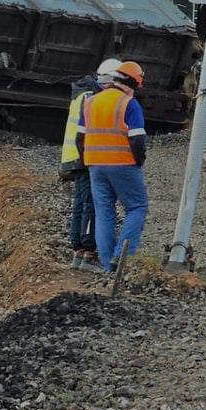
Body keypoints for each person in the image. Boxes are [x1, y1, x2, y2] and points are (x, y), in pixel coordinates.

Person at [77, 61, 148, 273]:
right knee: (137, 207)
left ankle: (108, 266)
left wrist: (88, 160)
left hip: (95, 165)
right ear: (132, 84)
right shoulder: (129, 103)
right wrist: (139, 161)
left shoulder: (90, 102)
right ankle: (121, 256)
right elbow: (137, 140)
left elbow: (80, 138)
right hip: (123, 163)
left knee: (104, 212)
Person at [60, 58, 122, 273]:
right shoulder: (92, 97)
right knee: (91, 205)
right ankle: (88, 253)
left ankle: (78, 253)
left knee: (81, 204)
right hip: (87, 157)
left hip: (76, 157)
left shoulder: (82, 94)